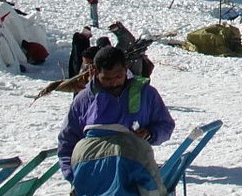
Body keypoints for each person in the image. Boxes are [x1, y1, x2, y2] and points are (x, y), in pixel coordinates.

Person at [57, 46, 175, 188]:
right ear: (94, 71)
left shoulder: (145, 94)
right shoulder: (84, 100)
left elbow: (165, 125)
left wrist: (150, 134)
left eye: (118, 77)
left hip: (135, 177)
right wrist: (74, 177)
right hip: (96, 179)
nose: (113, 83)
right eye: (106, 78)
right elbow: (67, 141)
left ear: (126, 68)